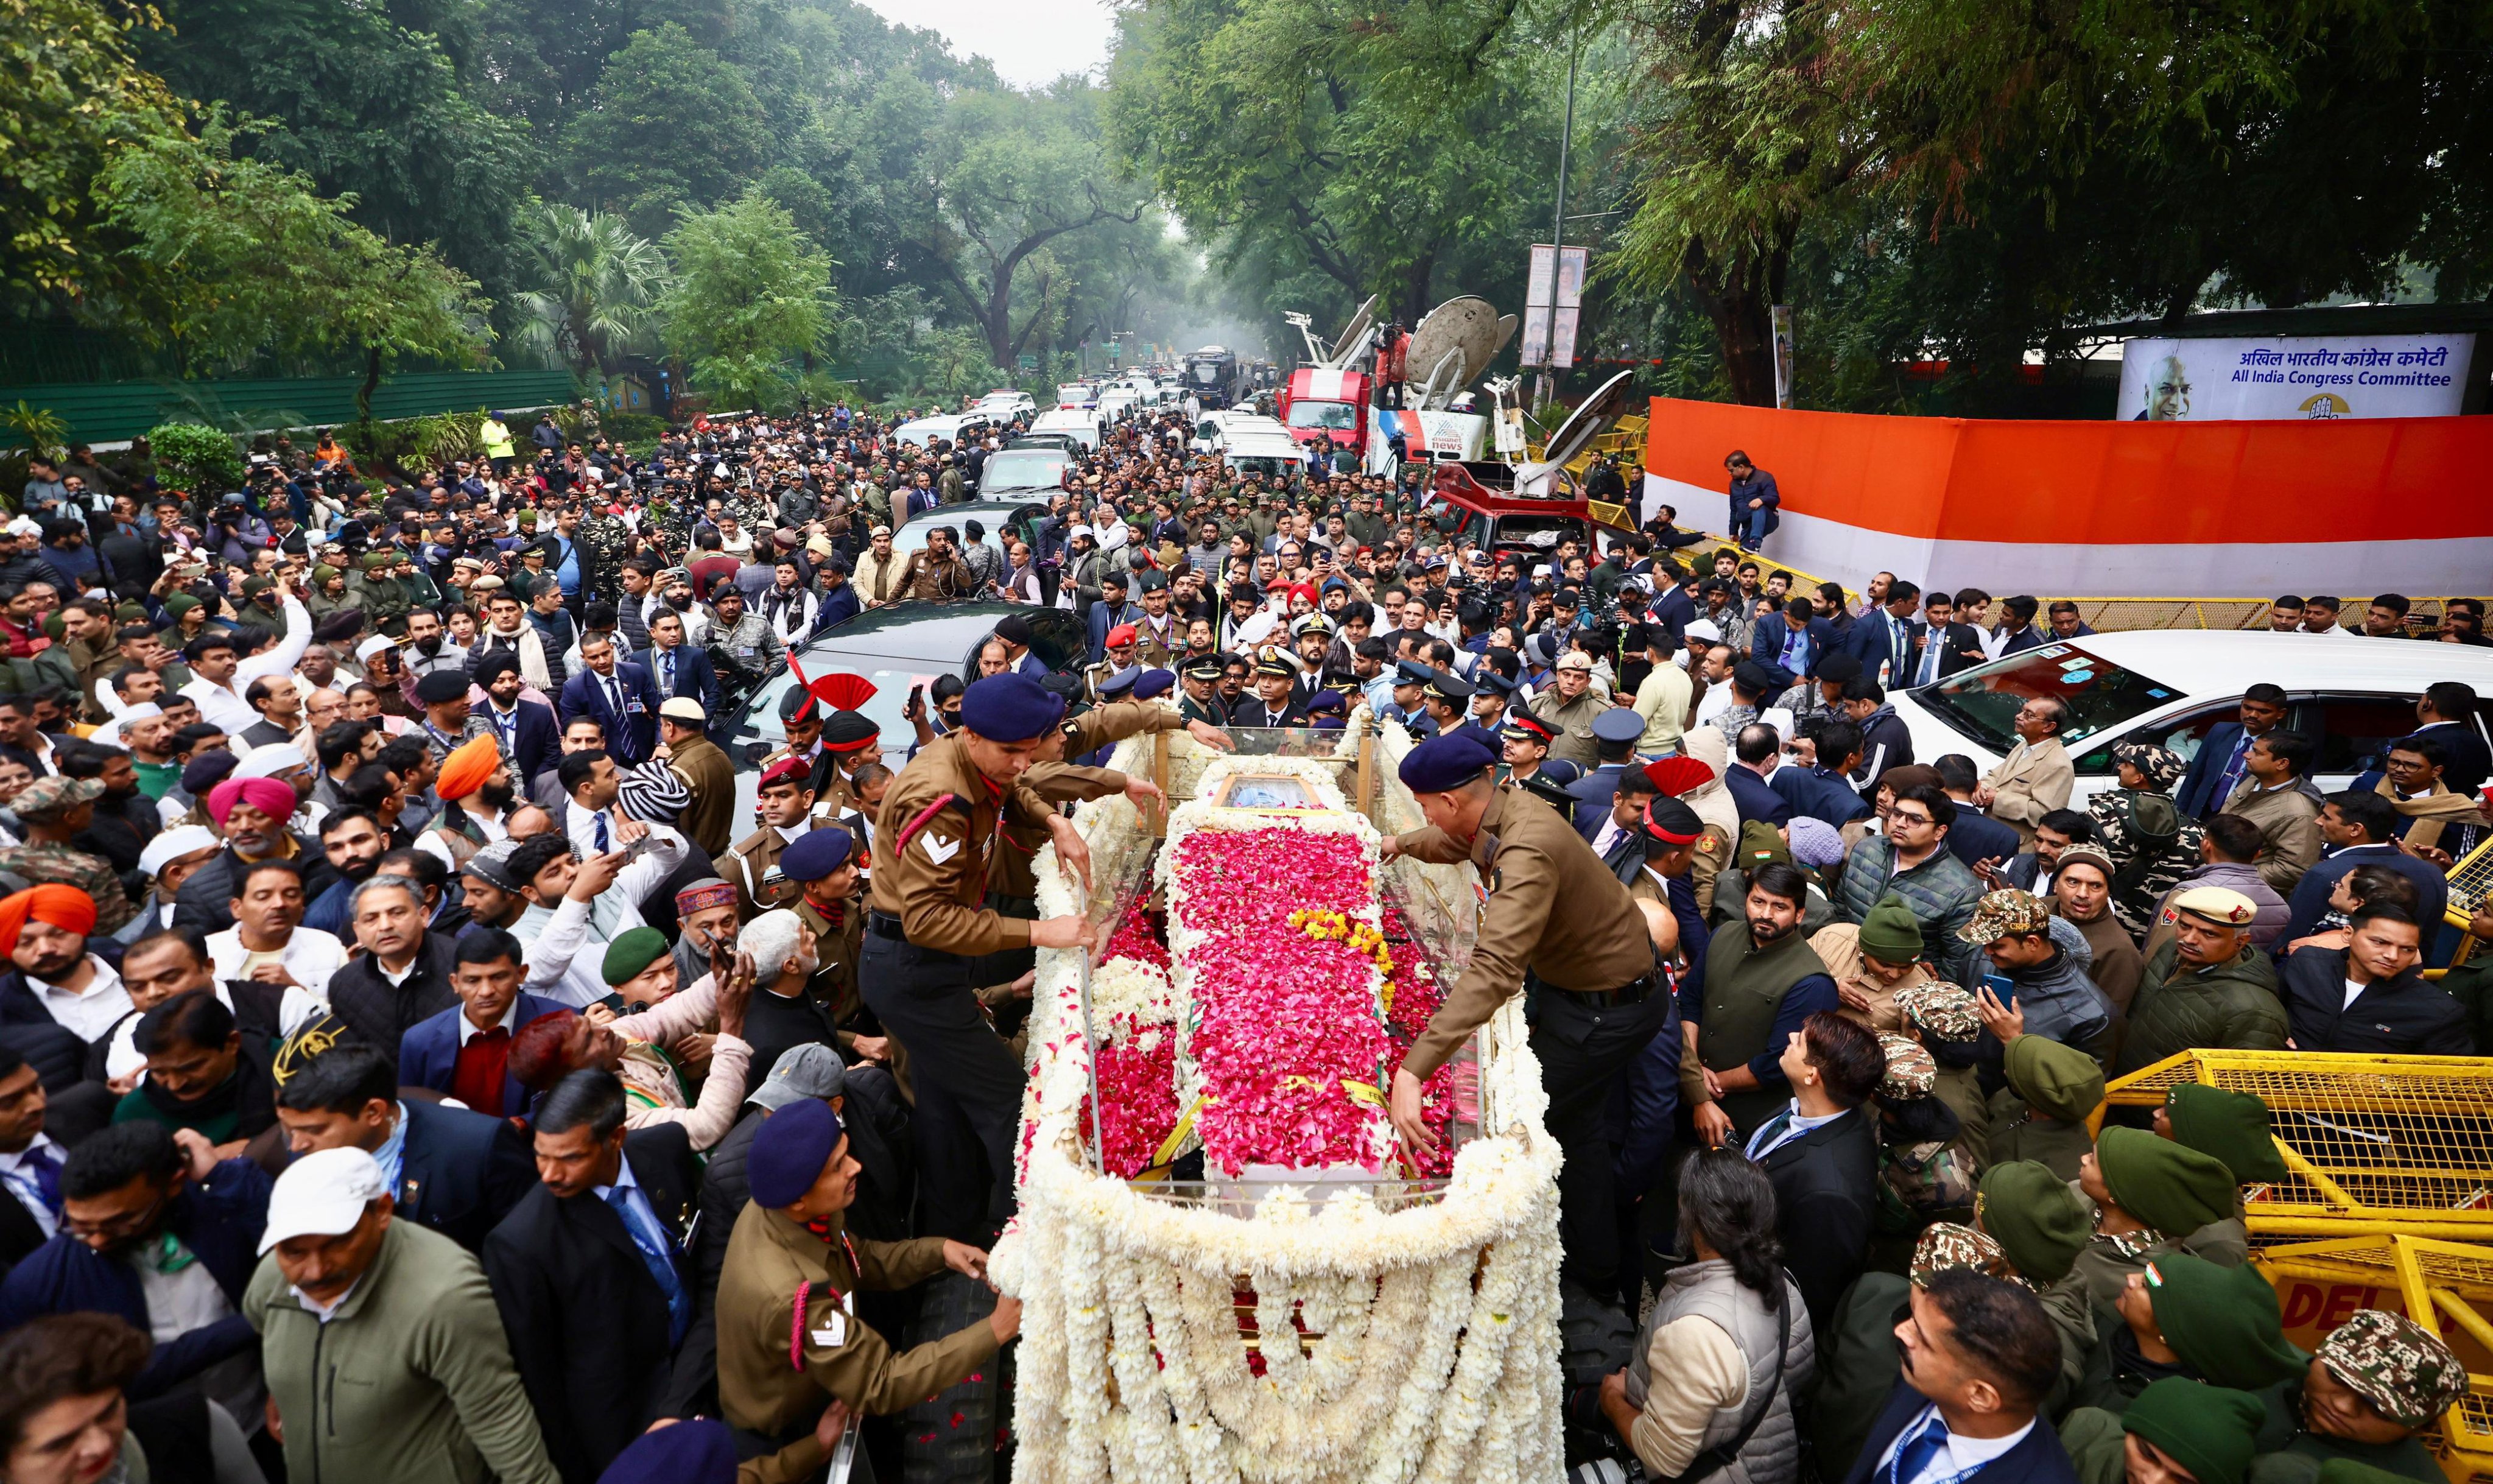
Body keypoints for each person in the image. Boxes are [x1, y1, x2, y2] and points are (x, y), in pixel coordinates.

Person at [1380, 729, 1669, 1296]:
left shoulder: (1526, 845)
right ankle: (1597, 1266)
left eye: (1425, 807)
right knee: (1578, 1128)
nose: (1427, 817)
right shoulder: (1503, 809)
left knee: (1530, 1126)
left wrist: (1414, 1068)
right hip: (1585, 994)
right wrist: (1399, 843)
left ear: (1453, 800)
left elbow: (1495, 967)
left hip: (1605, 1014)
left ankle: (1550, 1276)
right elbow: (1457, 844)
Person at [860, 672, 1094, 1241]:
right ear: (970, 735)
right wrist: (1042, 932)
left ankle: (953, 1233)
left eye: (1028, 748)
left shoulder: (974, 757)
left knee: (944, 1111)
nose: (1022, 763)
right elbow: (928, 919)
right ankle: (1027, 1235)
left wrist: (1053, 819)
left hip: (926, 962)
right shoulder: (942, 798)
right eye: (1011, 751)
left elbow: (1012, 785)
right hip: (914, 966)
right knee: (1008, 1102)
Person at [714, 1098, 1014, 1477]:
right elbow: (879, 1382)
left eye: (846, 1153)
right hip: (785, 1441)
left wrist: (938, 1252)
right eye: (838, 1166)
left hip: (824, 1392)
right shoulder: (791, 1296)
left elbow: (860, 1259)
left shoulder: (787, 1209)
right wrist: (995, 1329)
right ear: (799, 1200)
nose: (855, 1167)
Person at [244, 1147, 561, 1484]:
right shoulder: (271, 1282)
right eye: (294, 1252)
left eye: (336, 1244)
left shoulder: (445, 1296)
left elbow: (498, 1418)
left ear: (382, 1211)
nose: (316, 1270)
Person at [484, 1069, 698, 1484]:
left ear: (615, 1137)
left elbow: (698, 1272)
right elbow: (541, 1386)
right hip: (623, 1439)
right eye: (541, 1155)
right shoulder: (521, 1244)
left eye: (570, 1157)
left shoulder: (666, 1149)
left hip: (703, 1384)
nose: (549, 1174)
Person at [0, 1120, 269, 1404]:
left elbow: (285, 1249)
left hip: (259, 1405)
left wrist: (221, 1176)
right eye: (80, 1226)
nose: (97, 1241)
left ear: (174, 1184)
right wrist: (257, 1321)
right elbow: (121, 1375)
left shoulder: (219, 1208)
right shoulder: (39, 1283)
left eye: (121, 1223)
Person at [1594, 1148, 1815, 1484]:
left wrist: (1612, 1400)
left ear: (1692, 1218)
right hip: (1769, 1460)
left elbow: (1661, 1455)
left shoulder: (1696, 1332)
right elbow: (1795, 1377)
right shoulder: (1784, 1287)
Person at [273, 1040, 534, 1253]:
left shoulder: (477, 1146)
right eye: (290, 1132)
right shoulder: (306, 1152)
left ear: (374, 1112)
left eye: (315, 1130)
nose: (297, 1145)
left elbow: (523, 1251)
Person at [1841, 1269, 2078, 1484]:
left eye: (1923, 1339)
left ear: (1980, 1395)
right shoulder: (1920, 1382)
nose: (1901, 1331)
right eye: (1914, 1320)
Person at [1746, 1012, 1883, 1331]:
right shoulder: (1810, 1105)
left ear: (1812, 1075)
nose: (1792, 1036)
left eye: (1802, 1040)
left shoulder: (1830, 1197)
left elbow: (1807, 1296)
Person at [2246, 1309, 2469, 1483]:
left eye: (2378, 1409)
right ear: (2320, 1354)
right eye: (2337, 1377)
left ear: (2419, 1429)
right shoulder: (2250, 1372)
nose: (2343, 1406)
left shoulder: (2408, 1478)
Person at [2114, 886, 2288, 1076]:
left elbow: (2241, 1088)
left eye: (2209, 934)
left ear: (2241, 942)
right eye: (2184, 926)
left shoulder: (2256, 1013)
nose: (2189, 939)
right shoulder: (2171, 950)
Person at [397, 927, 568, 1119]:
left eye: (498, 977)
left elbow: (573, 1103)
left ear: (521, 974)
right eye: (473, 981)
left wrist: (517, 1128)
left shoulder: (560, 1024)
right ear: (455, 983)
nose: (486, 991)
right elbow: (411, 1109)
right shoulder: (419, 1041)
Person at [1834, 784, 1985, 986]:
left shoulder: (1963, 891)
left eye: (1915, 820)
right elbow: (1841, 907)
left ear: (1939, 831)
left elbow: (1955, 964)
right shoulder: (1867, 850)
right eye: (1897, 814)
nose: (1900, 823)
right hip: (1845, 969)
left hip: (1902, 985)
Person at [2280, 904, 2470, 1055]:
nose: (2392, 955)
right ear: (2348, 934)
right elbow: (2271, 1009)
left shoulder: (2437, 1010)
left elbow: (2449, 1082)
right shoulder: (2307, 964)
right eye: (2380, 942)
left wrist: (2389, 1085)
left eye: (2407, 949)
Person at [1960, 887, 2112, 1051]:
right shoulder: (1982, 960)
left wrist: (2015, 1042)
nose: (1987, 951)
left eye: (1997, 946)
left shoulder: (2092, 1016)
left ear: (2032, 943)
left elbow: (2081, 1076)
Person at [2217, 731, 2323, 893]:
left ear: (2282, 764)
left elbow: (2291, 870)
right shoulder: (2255, 781)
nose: (2246, 755)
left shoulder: (2300, 812)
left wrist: (2230, 877)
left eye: (2257, 753)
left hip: (2243, 896)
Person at [2174, 684, 2288, 819]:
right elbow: (2194, 778)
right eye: (2248, 708)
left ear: (2281, 714)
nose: (2253, 715)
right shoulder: (2221, 731)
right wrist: (2178, 816)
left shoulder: (2287, 747)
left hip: (2240, 823)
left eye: (2263, 711)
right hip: (2200, 814)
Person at [1974, 697, 2075, 846]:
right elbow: (1997, 775)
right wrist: (1981, 790)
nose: (2019, 717)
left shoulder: (2058, 765)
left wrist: (1998, 799)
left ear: (2048, 727)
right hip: (1990, 832)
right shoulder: (2024, 745)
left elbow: (2045, 813)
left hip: (2013, 844)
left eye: (2029, 715)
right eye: (2021, 711)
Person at [658, 699, 736, 858]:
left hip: (695, 866)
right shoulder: (719, 754)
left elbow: (677, 836)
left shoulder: (678, 771)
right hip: (721, 857)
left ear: (670, 728)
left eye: (662, 725)